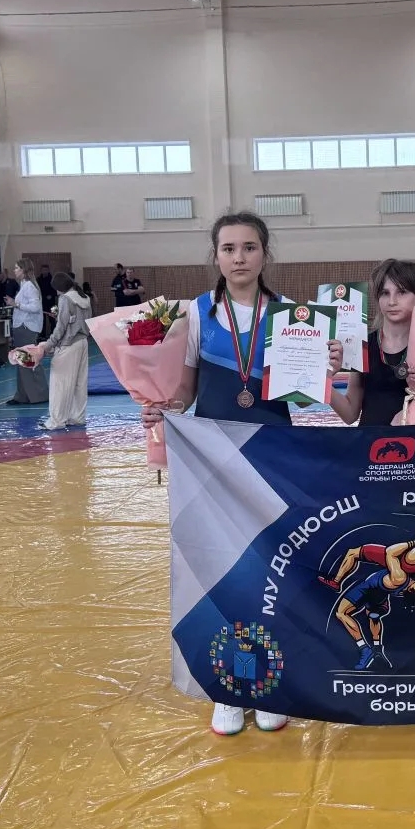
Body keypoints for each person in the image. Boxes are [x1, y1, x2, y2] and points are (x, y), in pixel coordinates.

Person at [141, 211, 342, 737]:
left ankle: (272, 683)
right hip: (212, 460)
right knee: (220, 571)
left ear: (265, 254)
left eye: (249, 247)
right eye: (228, 248)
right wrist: (161, 405)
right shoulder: (196, 313)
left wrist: (326, 365)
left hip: (274, 455)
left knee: (274, 571)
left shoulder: (293, 315)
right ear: (215, 255)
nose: (239, 257)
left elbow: (307, 396)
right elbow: (186, 389)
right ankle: (230, 686)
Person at [329, 259, 415, 427]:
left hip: (413, 442)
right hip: (371, 441)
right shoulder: (363, 346)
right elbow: (350, 414)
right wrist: (324, 381)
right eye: (385, 293)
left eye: (401, 292)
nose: (392, 301)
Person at [44, 272, 92, 430]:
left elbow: (61, 327)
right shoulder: (85, 297)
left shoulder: (65, 299)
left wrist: (49, 344)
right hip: (83, 342)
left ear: (59, 287)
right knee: (79, 383)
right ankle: (77, 417)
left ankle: (56, 421)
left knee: (60, 383)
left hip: (69, 344)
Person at [8, 259, 50, 405]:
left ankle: (38, 394)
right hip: (21, 327)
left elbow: (35, 307)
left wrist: (16, 304)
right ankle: (22, 395)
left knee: (28, 361)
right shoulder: (24, 285)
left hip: (26, 327)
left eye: (16, 268)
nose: (14, 270)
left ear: (23, 270)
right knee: (21, 362)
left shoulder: (29, 287)